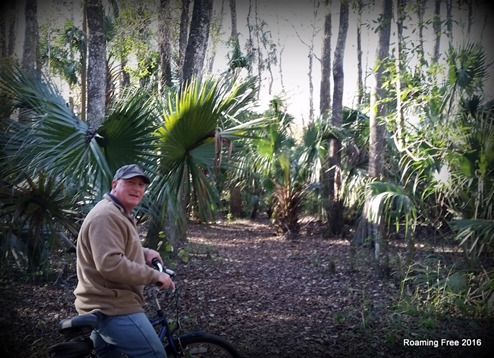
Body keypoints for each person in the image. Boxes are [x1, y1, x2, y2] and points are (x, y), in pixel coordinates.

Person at [74, 164, 175, 358]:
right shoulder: (106, 216)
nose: (137, 188)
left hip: (102, 305)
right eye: (130, 182)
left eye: (141, 184)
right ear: (114, 185)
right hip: (114, 308)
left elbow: (115, 247)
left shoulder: (118, 212)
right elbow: (111, 264)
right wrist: (155, 276)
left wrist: (144, 252)